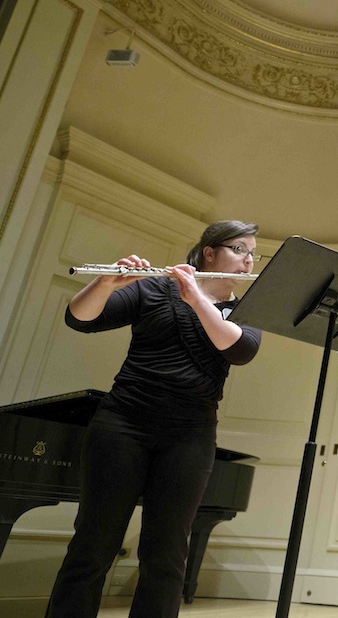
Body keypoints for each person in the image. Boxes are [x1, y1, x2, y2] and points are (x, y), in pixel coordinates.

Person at [46, 220, 263, 617]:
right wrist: (107, 283)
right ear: (209, 252)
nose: (248, 260)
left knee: (165, 556)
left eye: (253, 253)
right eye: (239, 249)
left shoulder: (248, 310)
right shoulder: (154, 288)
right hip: (123, 424)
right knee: (93, 545)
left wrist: (196, 297)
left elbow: (238, 349)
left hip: (189, 437)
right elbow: (80, 318)